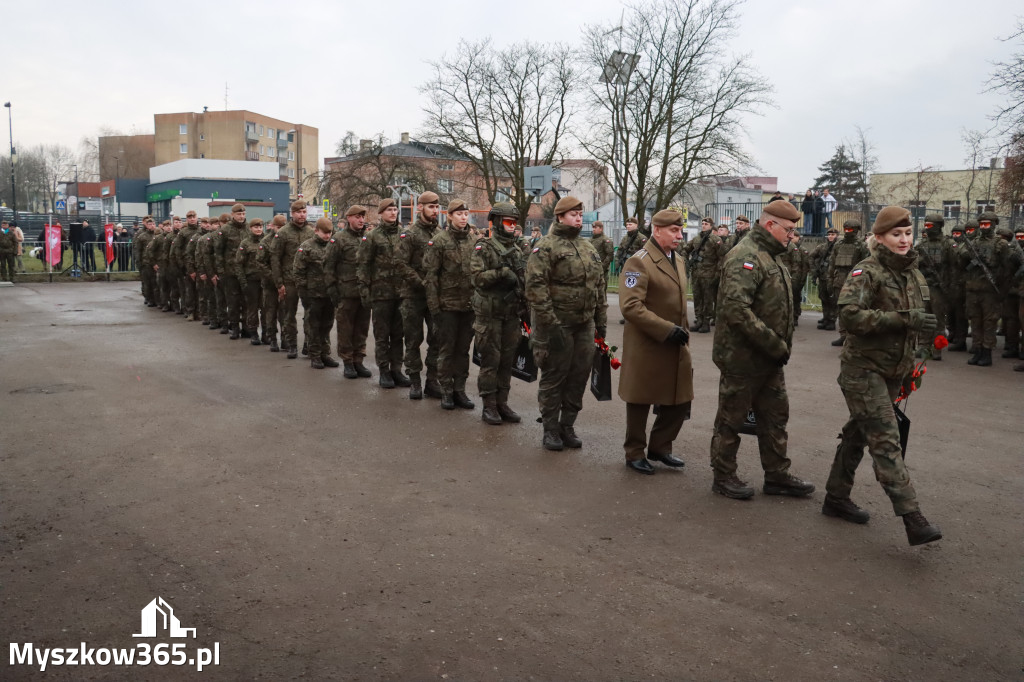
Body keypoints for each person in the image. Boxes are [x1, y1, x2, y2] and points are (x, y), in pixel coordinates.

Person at [825, 206, 942, 546]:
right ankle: (912, 517)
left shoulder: (913, 273)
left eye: (907, 233)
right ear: (879, 238)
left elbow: (915, 324)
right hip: (863, 370)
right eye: (896, 234)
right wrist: (904, 319)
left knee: (857, 434)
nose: (904, 240)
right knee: (885, 440)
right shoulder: (867, 272)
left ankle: (836, 497)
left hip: (893, 371)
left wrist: (911, 365)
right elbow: (849, 317)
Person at [708, 200, 815, 500]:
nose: (792, 236)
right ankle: (723, 475)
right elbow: (736, 310)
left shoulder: (772, 255)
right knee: (731, 418)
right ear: (770, 225)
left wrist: (776, 348)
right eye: (789, 230)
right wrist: (774, 343)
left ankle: (777, 475)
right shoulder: (746, 256)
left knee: (774, 417)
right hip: (742, 358)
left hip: (769, 358)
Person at [525, 196, 607, 451]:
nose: (579, 218)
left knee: (579, 376)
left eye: (581, 214)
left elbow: (599, 287)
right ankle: (550, 429)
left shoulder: (588, 247)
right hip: (556, 325)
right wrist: (550, 324)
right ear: (560, 217)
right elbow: (536, 287)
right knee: (554, 377)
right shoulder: (546, 247)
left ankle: (567, 425)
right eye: (573, 214)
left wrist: (600, 323)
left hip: (584, 325)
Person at [618, 208, 693, 475]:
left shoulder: (679, 260)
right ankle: (635, 452)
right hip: (649, 343)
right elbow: (630, 306)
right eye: (674, 231)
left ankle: (660, 447)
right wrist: (666, 329)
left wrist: (679, 331)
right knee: (640, 400)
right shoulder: (639, 262)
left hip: (675, 343)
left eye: (680, 230)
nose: (679, 236)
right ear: (657, 230)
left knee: (681, 397)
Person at [469, 202, 527, 423]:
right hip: (490, 315)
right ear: (496, 222)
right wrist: (501, 273)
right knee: (490, 362)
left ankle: (502, 403)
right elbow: (477, 279)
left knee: (507, 362)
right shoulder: (483, 247)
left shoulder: (519, 250)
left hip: (511, 315)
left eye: (514, 222)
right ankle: (489, 406)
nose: (512, 226)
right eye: (508, 222)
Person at [423, 198, 479, 412]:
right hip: (446, 307)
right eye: (459, 214)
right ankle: (446, 391)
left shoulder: (474, 241)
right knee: (446, 350)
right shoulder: (440, 241)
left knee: (463, 351)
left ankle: (459, 390)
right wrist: (434, 308)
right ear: (450, 216)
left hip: (468, 307)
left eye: (466, 214)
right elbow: (431, 277)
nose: (463, 217)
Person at [396, 191, 442, 399]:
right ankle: (415, 380)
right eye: (431, 207)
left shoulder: (440, 234)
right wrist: (420, 282)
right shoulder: (410, 234)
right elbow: (400, 263)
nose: (435, 210)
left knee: (437, 339)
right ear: (420, 207)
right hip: (413, 295)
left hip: (435, 297)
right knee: (413, 340)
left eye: (436, 207)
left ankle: (432, 381)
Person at [358, 198, 409, 389]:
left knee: (398, 335)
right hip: (381, 293)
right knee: (382, 335)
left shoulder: (404, 234)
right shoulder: (372, 237)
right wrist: (364, 290)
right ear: (381, 213)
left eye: (395, 209)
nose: (393, 213)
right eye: (389, 210)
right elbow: (363, 265)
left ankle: (397, 369)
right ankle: (384, 371)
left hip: (401, 293)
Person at [324, 206, 372, 378]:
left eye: (363, 217)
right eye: (358, 217)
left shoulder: (367, 238)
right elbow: (328, 266)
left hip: (364, 293)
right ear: (349, 218)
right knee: (345, 329)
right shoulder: (339, 239)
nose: (361, 220)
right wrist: (332, 291)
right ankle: (348, 362)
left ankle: (359, 360)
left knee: (362, 329)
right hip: (345, 292)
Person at [959, 211, 1011, 366]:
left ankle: (987, 352)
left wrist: (1001, 289)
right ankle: (978, 349)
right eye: (981, 224)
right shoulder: (974, 243)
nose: (983, 227)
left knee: (989, 322)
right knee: (975, 321)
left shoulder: (1000, 244)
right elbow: (962, 262)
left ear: (994, 224)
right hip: (974, 289)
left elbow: (1007, 268)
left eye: (987, 224)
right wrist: (969, 257)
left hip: (990, 290)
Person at [270, 200, 314, 359]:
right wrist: (279, 283)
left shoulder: (311, 232)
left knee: (310, 314)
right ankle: (291, 345)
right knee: (289, 314)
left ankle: (308, 345)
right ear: (292, 213)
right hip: (289, 281)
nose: (302, 215)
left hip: (308, 281)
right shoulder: (283, 233)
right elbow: (275, 259)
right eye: (298, 212)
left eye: (304, 212)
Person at [293, 218, 336, 369]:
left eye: (329, 233)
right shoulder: (306, 247)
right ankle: (315, 355)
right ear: (316, 231)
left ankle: (325, 353)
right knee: (314, 325)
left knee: (327, 325)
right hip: (313, 294)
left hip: (330, 294)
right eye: (324, 233)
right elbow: (298, 271)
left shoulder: (333, 246)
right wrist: (303, 293)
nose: (327, 236)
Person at [916, 214, 953, 360]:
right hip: (925, 286)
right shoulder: (922, 245)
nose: (927, 228)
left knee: (938, 319)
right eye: (926, 225)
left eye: (930, 225)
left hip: (939, 287)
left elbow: (953, 267)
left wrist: (949, 286)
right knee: (924, 317)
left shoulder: (947, 244)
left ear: (939, 226)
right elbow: (914, 265)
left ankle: (937, 349)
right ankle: (923, 346)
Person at [828, 219, 870, 346]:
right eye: (846, 229)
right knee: (841, 308)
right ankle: (843, 335)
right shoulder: (838, 245)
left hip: (855, 281)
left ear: (856, 230)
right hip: (839, 280)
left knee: (855, 309)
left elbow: (866, 265)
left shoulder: (862, 246)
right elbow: (832, 264)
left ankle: (854, 336)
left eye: (850, 229)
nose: (847, 232)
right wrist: (830, 280)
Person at [682, 217, 723, 333]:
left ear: (711, 225)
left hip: (709, 274)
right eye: (703, 223)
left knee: (707, 299)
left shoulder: (716, 240)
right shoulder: (696, 238)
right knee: (697, 297)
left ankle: (706, 322)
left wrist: (717, 273)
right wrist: (686, 261)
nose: (704, 225)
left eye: (706, 224)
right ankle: (699, 320)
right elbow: (685, 250)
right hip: (696, 273)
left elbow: (721, 257)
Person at [236, 218, 271, 347]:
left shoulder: (267, 241)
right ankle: (254, 333)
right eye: (256, 227)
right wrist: (243, 281)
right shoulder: (245, 243)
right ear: (250, 228)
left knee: (266, 308)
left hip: (265, 280)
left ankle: (266, 334)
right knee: (252, 308)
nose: (258, 229)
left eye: (260, 227)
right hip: (251, 280)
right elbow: (239, 264)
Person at [257, 215, 286, 349]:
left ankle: (286, 338)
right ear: (272, 226)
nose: (280, 230)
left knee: (285, 313)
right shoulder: (265, 242)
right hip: (269, 283)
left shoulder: (286, 239)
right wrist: (273, 277)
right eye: (278, 227)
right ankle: (272, 338)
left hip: (286, 282)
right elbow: (261, 262)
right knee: (271, 311)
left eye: (282, 227)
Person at [615, 218, 647, 324]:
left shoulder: (641, 238)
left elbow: (645, 253)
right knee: (626, 292)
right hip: (626, 268)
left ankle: (637, 315)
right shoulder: (625, 238)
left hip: (637, 270)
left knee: (636, 293)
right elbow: (619, 251)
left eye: (630, 224)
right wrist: (617, 263)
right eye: (627, 224)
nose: (628, 226)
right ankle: (627, 315)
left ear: (636, 225)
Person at [945, 223, 970, 351]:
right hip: (951, 282)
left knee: (960, 314)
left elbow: (964, 261)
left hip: (961, 284)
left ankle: (961, 340)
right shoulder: (951, 245)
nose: (955, 236)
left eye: (958, 233)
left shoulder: (966, 246)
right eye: (954, 233)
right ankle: (952, 333)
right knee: (950, 311)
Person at [810, 227, 839, 330]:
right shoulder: (822, 247)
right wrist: (814, 270)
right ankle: (826, 318)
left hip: (833, 277)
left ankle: (832, 320)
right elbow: (811, 256)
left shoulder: (839, 247)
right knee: (824, 298)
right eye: (829, 234)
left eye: (833, 235)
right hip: (823, 277)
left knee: (833, 300)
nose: (831, 236)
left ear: (837, 236)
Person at [780, 231, 809, 326]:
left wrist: (799, 280)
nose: (792, 238)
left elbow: (802, 266)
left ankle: (795, 316)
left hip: (794, 277)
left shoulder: (797, 249)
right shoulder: (783, 246)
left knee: (795, 298)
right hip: (783, 276)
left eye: (795, 236)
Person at [135, 216, 158, 306]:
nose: (152, 226)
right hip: (146, 262)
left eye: (153, 224)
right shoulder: (142, 236)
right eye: (149, 224)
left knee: (156, 282)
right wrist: (139, 262)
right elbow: (138, 250)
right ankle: (149, 299)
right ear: (146, 225)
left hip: (156, 262)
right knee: (147, 283)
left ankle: (157, 299)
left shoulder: (158, 235)